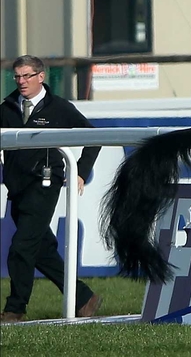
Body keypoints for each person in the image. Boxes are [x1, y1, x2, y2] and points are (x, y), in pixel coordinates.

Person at [0, 55, 102, 323]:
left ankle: (15, 309)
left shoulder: (58, 107)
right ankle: (84, 298)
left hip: (44, 185)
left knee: (21, 247)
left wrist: (80, 170)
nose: (21, 82)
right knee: (41, 250)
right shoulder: (7, 107)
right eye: (18, 76)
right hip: (17, 188)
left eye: (27, 76)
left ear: (41, 76)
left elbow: (94, 137)